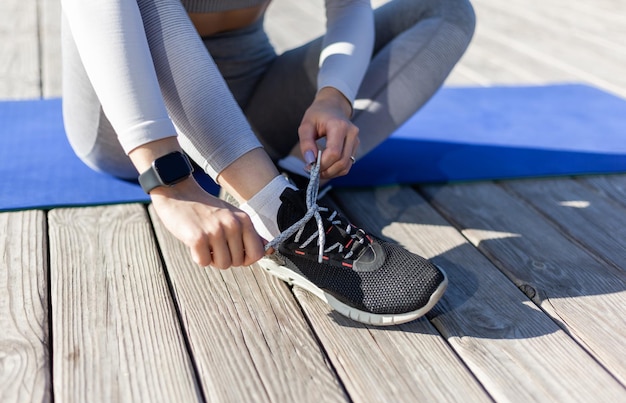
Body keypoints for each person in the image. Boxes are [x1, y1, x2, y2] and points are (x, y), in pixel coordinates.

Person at [60, 0, 475, 325]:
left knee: (443, 10)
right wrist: (170, 183)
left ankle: (291, 186)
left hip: (248, 101)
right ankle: (273, 206)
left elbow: (348, 6)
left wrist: (334, 95)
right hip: (130, 122)